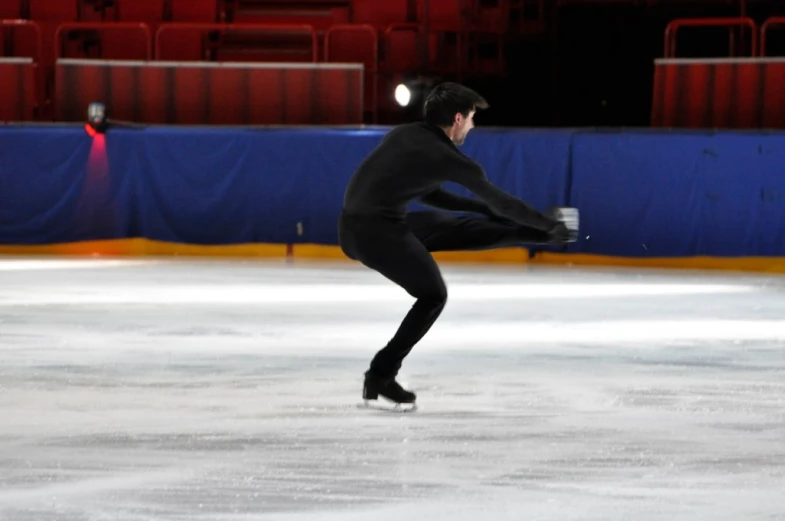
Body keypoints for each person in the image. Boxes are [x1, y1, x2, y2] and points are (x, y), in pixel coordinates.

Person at [338, 82, 574, 406]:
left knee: (463, 227)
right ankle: (380, 374)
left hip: (355, 229)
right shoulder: (448, 156)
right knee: (434, 295)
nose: (474, 126)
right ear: (459, 119)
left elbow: (427, 192)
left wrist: (481, 208)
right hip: (377, 235)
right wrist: (547, 222)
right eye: (474, 118)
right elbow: (502, 202)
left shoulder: (405, 135)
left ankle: (540, 235)